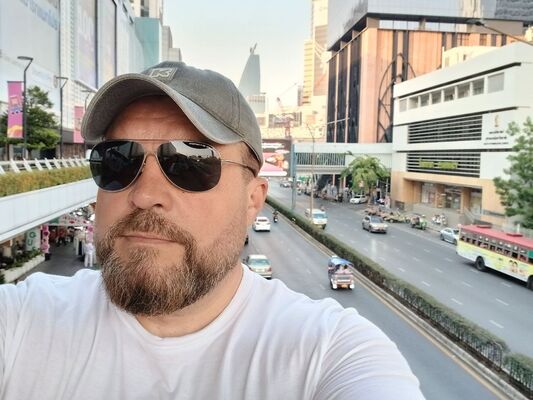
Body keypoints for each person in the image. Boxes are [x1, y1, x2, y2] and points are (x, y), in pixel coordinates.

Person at [0, 62, 423, 399]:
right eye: (118, 160)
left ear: (253, 200)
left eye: (190, 163)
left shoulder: (327, 352)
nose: (145, 195)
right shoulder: (23, 321)